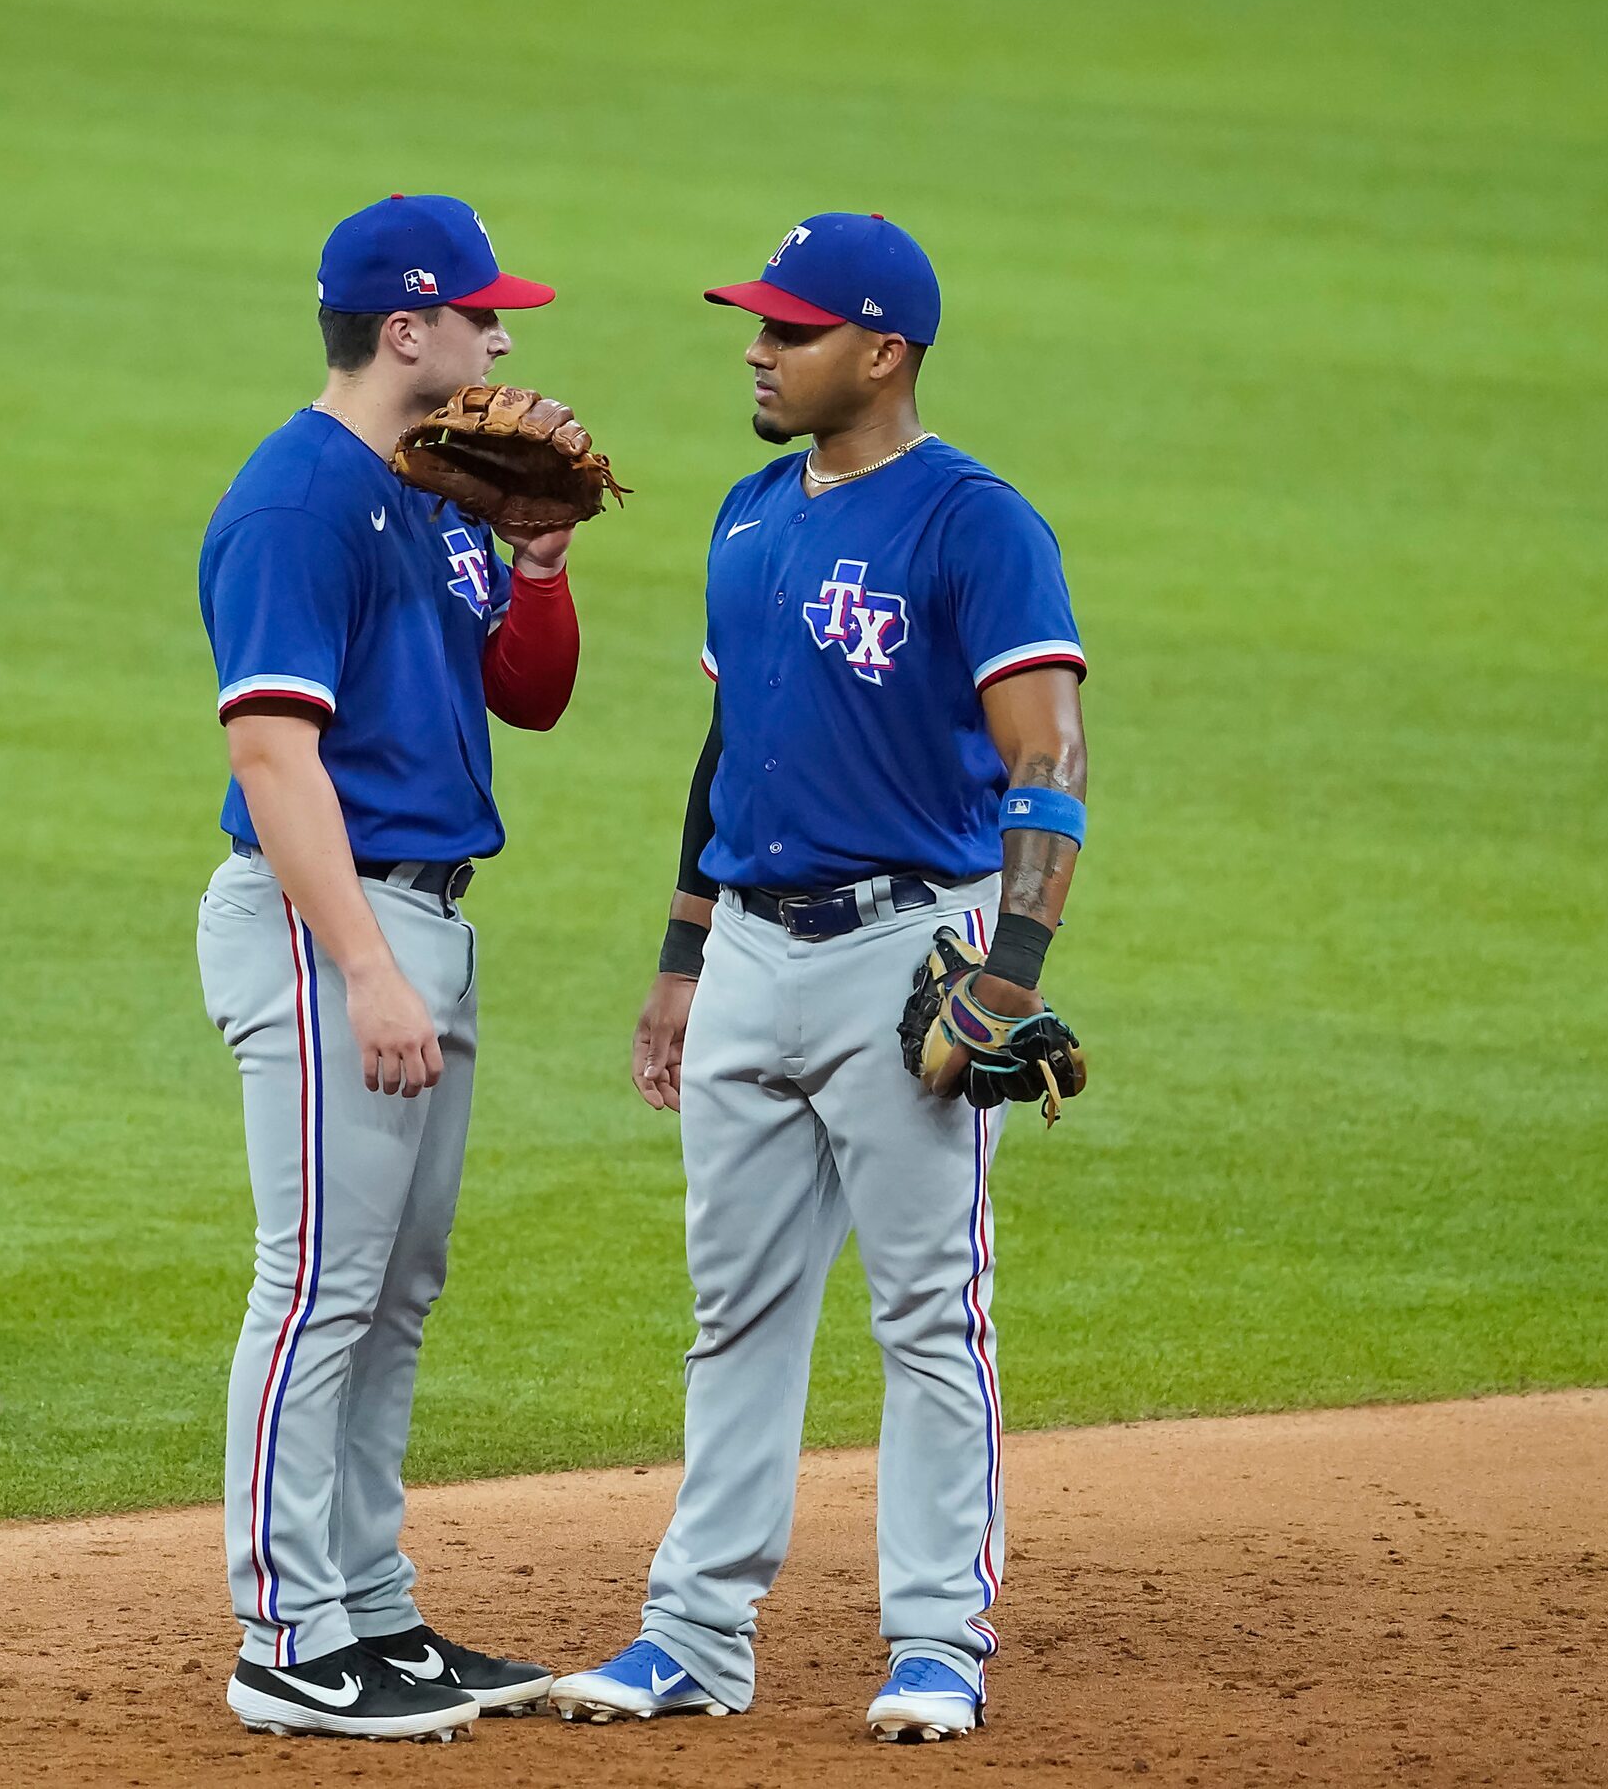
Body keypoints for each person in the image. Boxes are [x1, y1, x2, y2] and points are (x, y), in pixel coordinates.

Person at [547, 214, 1090, 1743]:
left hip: (907, 949)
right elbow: (732, 745)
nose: (755, 348)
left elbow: (1046, 753)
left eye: (787, 330)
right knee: (733, 1310)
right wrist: (679, 952)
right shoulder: (745, 513)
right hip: (752, 955)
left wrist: (1014, 963)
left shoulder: (974, 523)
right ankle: (694, 1634)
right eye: (756, 323)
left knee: (929, 1311)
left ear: (883, 351)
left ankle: (935, 1641)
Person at [195, 194, 584, 1740]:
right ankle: (283, 1634)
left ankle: (369, 1608)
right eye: (482, 313)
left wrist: (538, 558)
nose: (504, 340)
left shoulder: (431, 494)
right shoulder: (297, 501)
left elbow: (531, 698)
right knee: (315, 1286)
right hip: (328, 923)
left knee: (394, 1290)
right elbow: (272, 752)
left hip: (425, 918)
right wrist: (360, 963)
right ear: (403, 327)